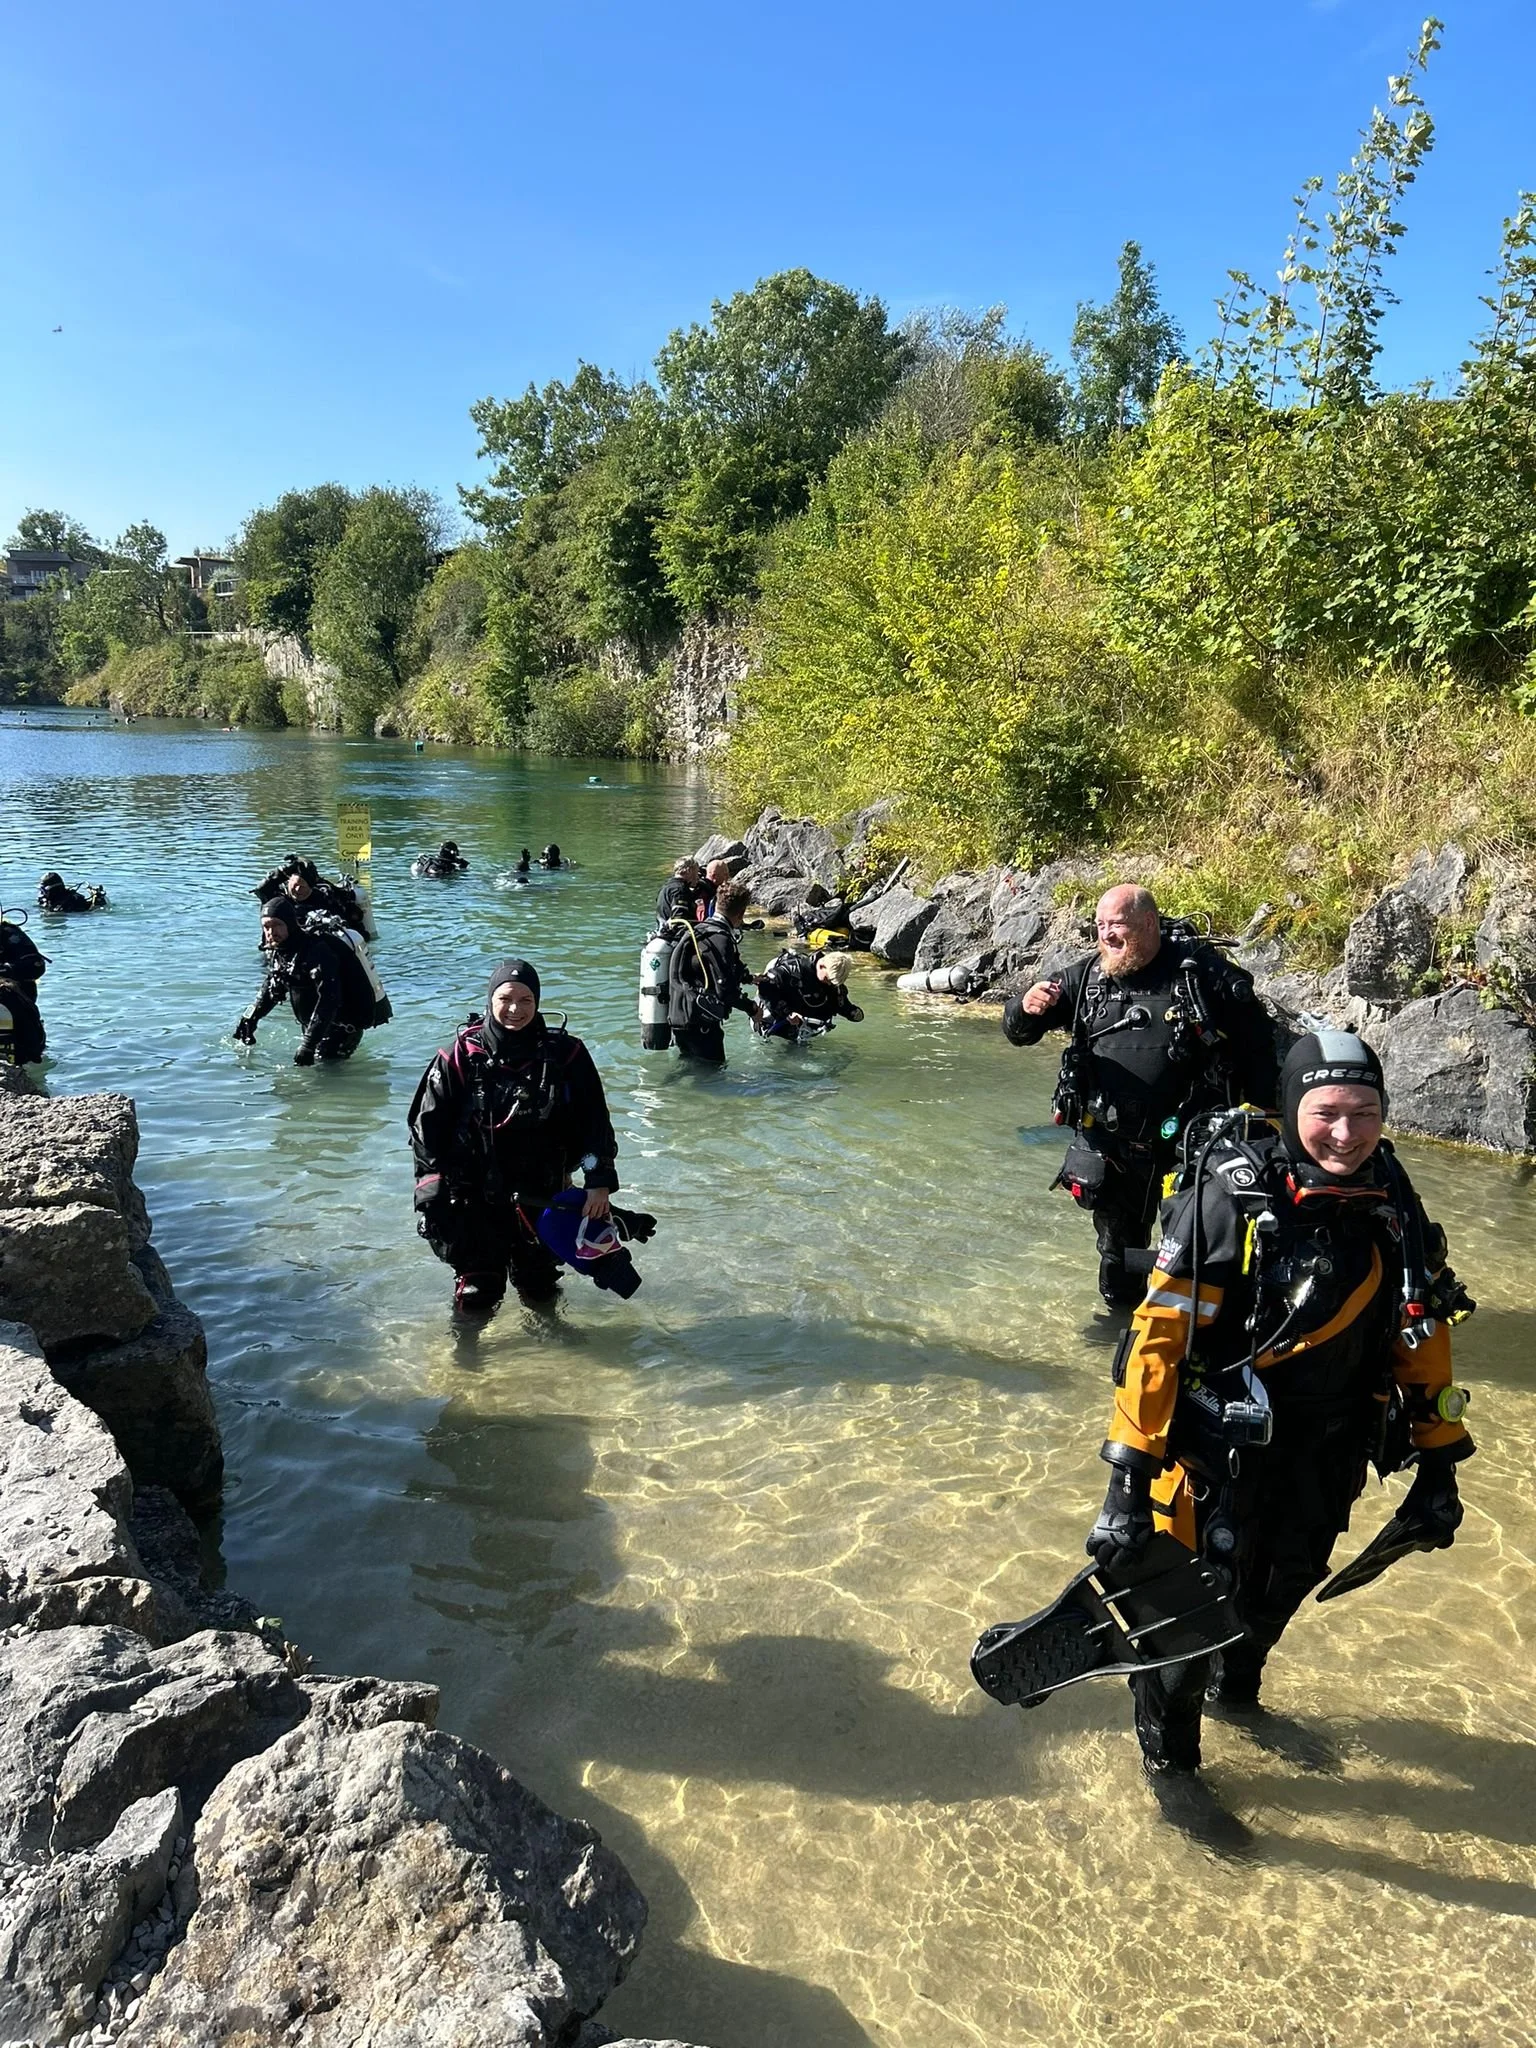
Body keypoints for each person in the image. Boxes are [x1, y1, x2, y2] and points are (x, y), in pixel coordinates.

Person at [1085, 1031, 1474, 1780]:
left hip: (1329, 1453)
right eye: (1327, 1112)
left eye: (1365, 1113)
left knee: (1273, 1600)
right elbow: (1156, 1343)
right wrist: (1125, 1485)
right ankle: (1174, 1772)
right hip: (1216, 1461)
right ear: (1292, 1107)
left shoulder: (1391, 1197)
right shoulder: (1229, 1200)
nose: (1347, 1133)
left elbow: (1420, 1326)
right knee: (1184, 1635)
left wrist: (1439, 1464)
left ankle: (1240, 1700)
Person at [1003, 885, 1279, 1307]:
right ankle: (1119, 1327)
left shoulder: (1202, 975)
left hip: (1190, 1142)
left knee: (1193, 1251)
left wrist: (1265, 1119)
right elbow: (1019, 1034)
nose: (1106, 935)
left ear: (1149, 923)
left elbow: (1258, 1047)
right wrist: (1025, 1007)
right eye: (1100, 926)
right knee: (1118, 1257)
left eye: (1116, 924)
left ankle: (1184, 1329)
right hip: (1114, 1144)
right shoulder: (1088, 978)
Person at [407, 958, 622, 1315]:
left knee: (539, 1288)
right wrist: (431, 1195)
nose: (515, 1009)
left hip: (543, 1191)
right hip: (473, 1194)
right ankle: (465, 1348)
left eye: (526, 1000)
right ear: (490, 1000)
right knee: (477, 1292)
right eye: (505, 999)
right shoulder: (459, 1056)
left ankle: (551, 1340)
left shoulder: (566, 1054)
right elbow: (425, 1131)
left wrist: (598, 1182)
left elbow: (594, 1123)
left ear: (538, 1002)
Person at [232, 895, 379, 1064]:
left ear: (290, 923)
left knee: (325, 1072)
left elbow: (329, 999)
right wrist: (250, 1018)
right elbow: (272, 986)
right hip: (316, 1025)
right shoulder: (282, 950)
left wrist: (308, 1044)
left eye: (277, 925)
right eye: (266, 927)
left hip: (341, 1028)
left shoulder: (317, 952)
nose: (271, 932)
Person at [667, 879, 759, 1064]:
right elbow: (726, 990)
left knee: (690, 1066)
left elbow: (707, 969)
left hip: (679, 1016)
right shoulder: (720, 939)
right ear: (741, 914)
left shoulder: (699, 930)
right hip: (701, 1023)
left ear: (715, 904)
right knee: (713, 1072)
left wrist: (749, 978)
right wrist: (752, 1009)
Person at [755, 947, 864, 1039]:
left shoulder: (832, 981)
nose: (829, 984)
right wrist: (787, 1013)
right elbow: (765, 988)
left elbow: (839, 1002)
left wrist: (851, 1012)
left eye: (833, 982)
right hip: (776, 1016)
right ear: (821, 966)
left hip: (802, 1026)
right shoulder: (791, 971)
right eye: (828, 979)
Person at [254, 856, 370, 937]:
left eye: (302, 886)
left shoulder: (325, 899)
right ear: (288, 881)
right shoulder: (280, 899)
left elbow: (347, 927)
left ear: (311, 886)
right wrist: (280, 871)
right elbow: (261, 890)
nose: (297, 890)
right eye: (294, 885)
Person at [0, 911, 47, 1066]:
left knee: (8, 996)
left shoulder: (9, 935)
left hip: (13, 1001)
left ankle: (27, 1053)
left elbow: (35, 965)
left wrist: (6, 970)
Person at [655, 858, 707, 926]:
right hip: (677, 932)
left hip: (662, 929)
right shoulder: (680, 890)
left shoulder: (665, 888)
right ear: (689, 871)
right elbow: (679, 920)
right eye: (696, 873)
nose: (698, 877)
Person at [37, 871, 107, 912]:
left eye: (43, 891)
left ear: (52, 890)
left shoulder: (75, 901)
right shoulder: (46, 901)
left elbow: (88, 913)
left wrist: (96, 902)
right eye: (41, 890)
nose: (42, 894)